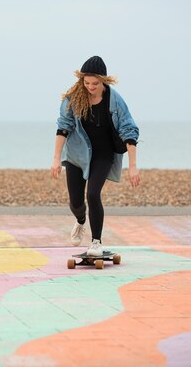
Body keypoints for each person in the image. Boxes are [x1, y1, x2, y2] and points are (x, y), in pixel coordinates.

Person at [51, 55, 140, 257]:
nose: (91, 87)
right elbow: (63, 128)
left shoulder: (114, 100)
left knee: (93, 194)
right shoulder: (73, 98)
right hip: (76, 154)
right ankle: (81, 221)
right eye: (87, 82)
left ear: (104, 81)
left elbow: (129, 131)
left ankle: (96, 242)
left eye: (95, 83)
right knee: (75, 202)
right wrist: (56, 158)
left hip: (103, 154)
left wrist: (133, 166)